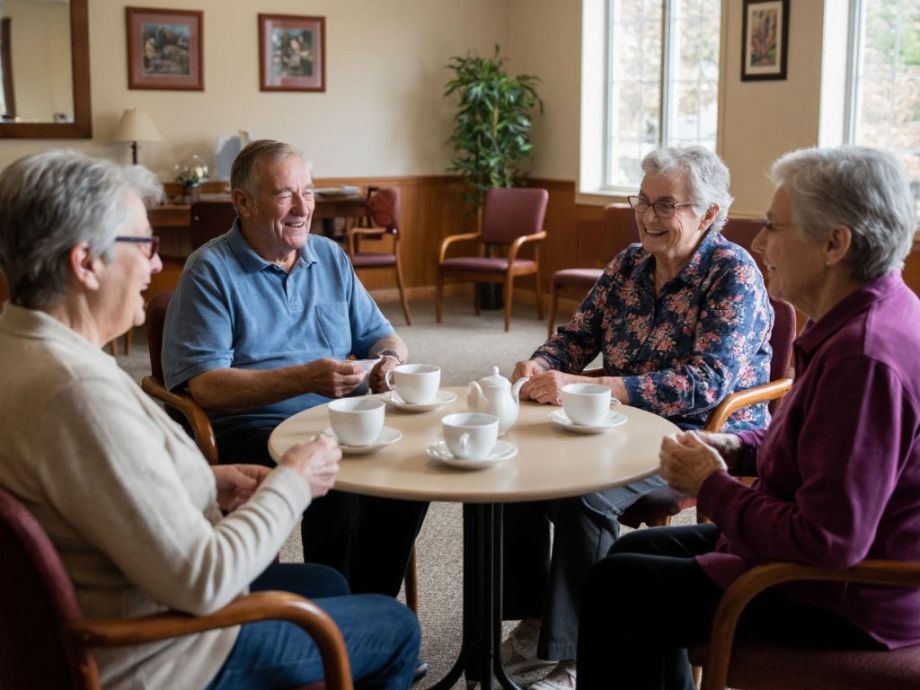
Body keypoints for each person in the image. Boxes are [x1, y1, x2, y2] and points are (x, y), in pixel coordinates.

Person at [0, 150, 420, 690]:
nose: (156, 266)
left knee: (329, 583)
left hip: (130, 600)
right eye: (144, 245)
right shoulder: (79, 393)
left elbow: (97, 483)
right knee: (396, 627)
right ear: (85, 263)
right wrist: (292, 482)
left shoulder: (26, 352)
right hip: (166, 652)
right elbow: (204, 579)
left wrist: (205, 479)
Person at [577, 145, 920, 689]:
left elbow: (828, 541)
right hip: (824, 564)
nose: (759, 243)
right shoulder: (859, 317)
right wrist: (740, 448)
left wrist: (710, 487)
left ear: (835, 244)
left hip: (845, 596)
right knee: (632, 552)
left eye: (774, 227)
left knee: (620, 587)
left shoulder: (864, 358)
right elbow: (814, 443)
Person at [502, 146, 773, 689]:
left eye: (666, 205)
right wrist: (542, 363)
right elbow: (577, 337)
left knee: (585, 496)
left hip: (701, 433)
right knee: (514, 462)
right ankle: (540, 620)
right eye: (642, 201)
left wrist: (597, 387)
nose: (648, 216)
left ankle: (579, 655)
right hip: (615, 419)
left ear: (709, 213)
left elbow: (706, 382)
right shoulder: (629, 263)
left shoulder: (732, 273)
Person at [162, 140, 427, 603]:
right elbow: (205, 386)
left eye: (308, 191)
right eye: (286, 194)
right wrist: (303, 378)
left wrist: (390, 361)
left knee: (409, 471)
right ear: (243, 202)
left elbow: (384, 336)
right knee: (338, 484)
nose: (303, 208)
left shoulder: (329, 256)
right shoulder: (210, 270)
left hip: (342, 418)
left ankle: (370, 609)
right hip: (254, 426)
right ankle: (335, 616)